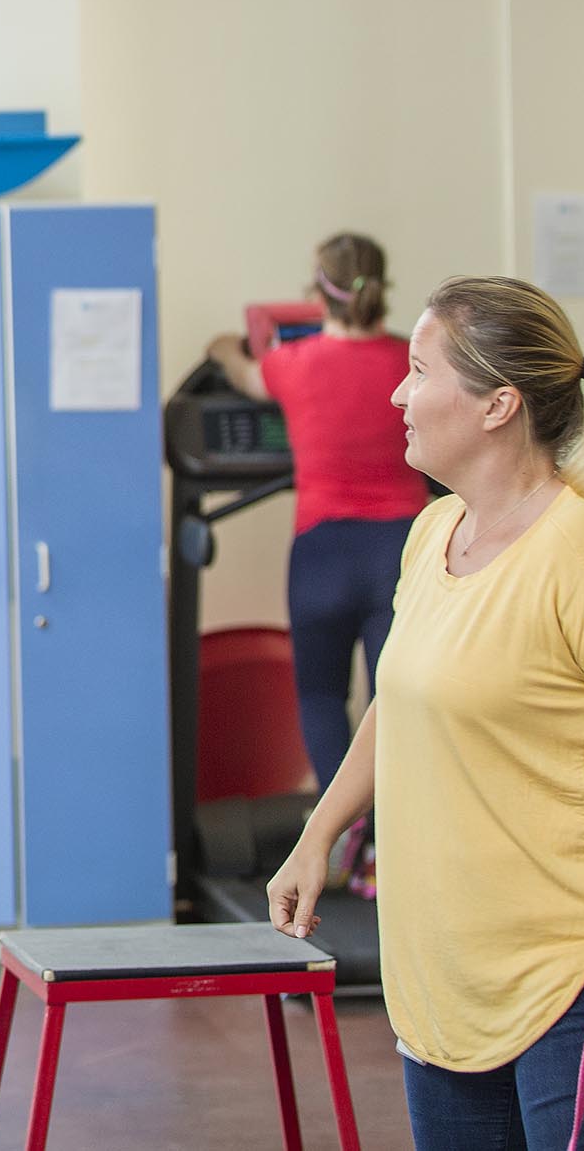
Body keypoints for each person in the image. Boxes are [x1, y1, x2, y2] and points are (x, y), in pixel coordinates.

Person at [265, 276, 584, 1150]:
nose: (398, 392)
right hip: (449, 975)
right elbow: (397, 701)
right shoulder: (435, 532)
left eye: (419, 370)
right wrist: (317, 835)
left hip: (583, 965)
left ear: (499, 404)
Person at [207, 233, 429, 893]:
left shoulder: (292, 362)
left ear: (317, 290)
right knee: (400, 699)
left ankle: (345, 832)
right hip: (400, 547)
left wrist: (226, 341)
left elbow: (237, 364)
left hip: (324, 551)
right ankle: (391, 845)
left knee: (320, 696)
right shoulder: (409, 360)